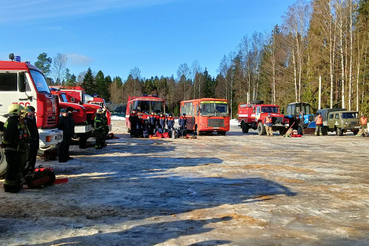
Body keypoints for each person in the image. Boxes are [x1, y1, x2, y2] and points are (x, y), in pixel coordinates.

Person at [2, 104, 25, 192]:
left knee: (14, 167)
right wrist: (6, 144)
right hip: (12, 148)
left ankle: (14, 184)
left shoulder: (15, 121)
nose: (21, 114)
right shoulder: (12, 121)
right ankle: (8, 187)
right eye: (19, 112)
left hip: (15, 148)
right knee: (11, 168)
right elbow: (8, 136)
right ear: (15, 112)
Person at [25, 106, 39, 173]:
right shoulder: (26, 120)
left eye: (33, 112)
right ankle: (27, 171)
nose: (32, 113)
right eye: (30, 112)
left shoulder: (33, 119)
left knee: (33, 157)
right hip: (30, 142)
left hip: (34, 142)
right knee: (29, 157)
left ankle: (31, 169)